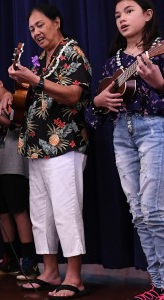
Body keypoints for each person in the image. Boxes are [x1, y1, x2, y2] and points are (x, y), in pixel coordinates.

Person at [0, 3, 92, 298]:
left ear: (56, 22)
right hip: (36, 147)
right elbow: (31, 99)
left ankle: (74, 277)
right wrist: (12, 92)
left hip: (65, 144)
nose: (36, 32)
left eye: (40, 25)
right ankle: (50, 271)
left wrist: (35, 80)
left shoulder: (71, 52)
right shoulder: (41, 59)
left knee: (66, 211)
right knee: (41, 214)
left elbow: (75, 94)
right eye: (31, 29)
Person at [85, 1, 164, 299]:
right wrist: (97, 102)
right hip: (121, 133)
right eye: (117, 15)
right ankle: (157, 286)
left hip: (153, 129)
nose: (122, 18)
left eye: (129, 11)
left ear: (147, 14)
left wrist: (160, 83)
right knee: (140, 214)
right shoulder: (111, 63)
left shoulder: (159, 50)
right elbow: (93, 117)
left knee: (155, 211)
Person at [0, 74, 39, 280]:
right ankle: (10, 258)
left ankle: (29, 260)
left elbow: (27, 128)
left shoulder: (17, 98)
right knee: (3, 212)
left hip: (14, 163)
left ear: (0, 83)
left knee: (18, 210)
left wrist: (6, 122)